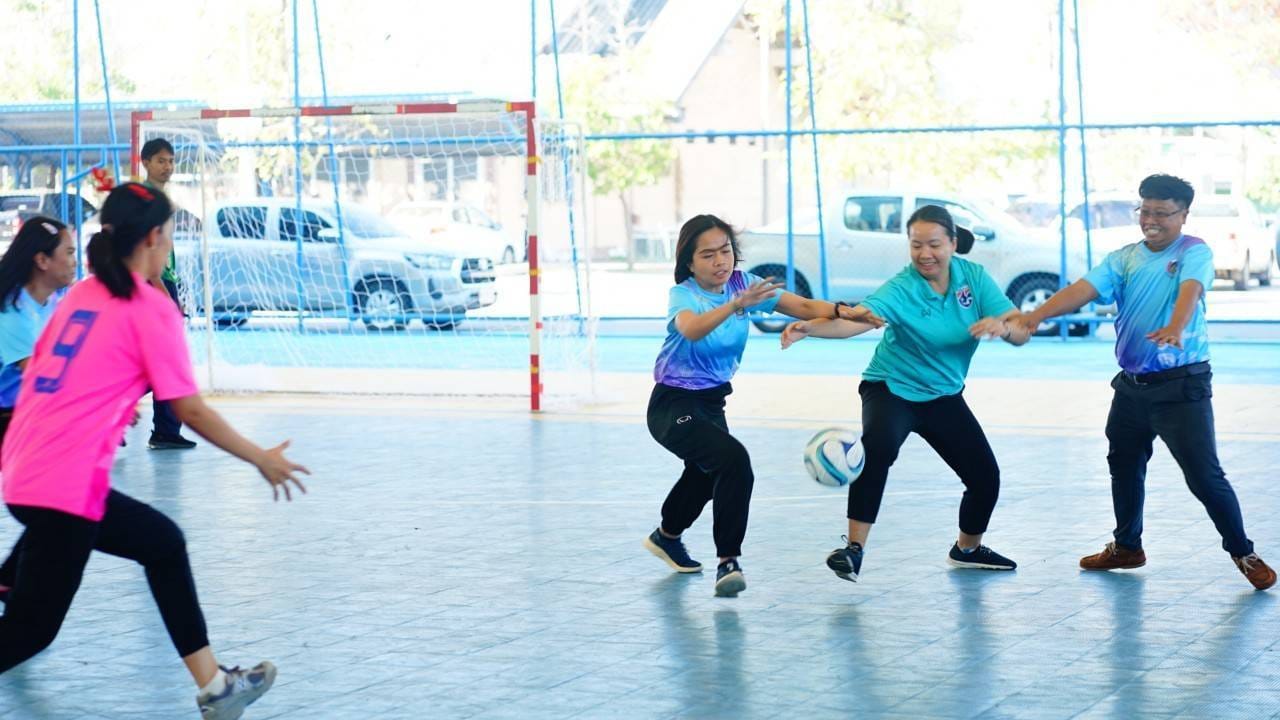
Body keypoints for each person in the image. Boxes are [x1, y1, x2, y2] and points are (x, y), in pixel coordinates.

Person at [0, 183, 311, 719]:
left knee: (163, 544)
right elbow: (189, 411)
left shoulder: (81, 295)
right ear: (153, 236)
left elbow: (49, 380)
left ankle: (215, 686)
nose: (171, 243)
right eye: (169, 233)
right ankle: (214, 685)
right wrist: (259, 457)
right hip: (65, 487)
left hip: (30, 471)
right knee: (28, 633)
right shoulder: (150, 308)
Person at [1015, 173, 1275, 590]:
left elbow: (1190, 290)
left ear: (1183, 215)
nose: (1151, 220)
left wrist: (1175, 324)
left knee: (1204, 476)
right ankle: (1127, 547)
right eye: (1145, 211)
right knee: (1124, 463)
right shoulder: (1125, 258)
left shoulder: (1194, 252)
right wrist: (1034, 316)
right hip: (1132, 387)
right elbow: (1083, 289)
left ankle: (1242, 551)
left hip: (1181, 387)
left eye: (1162, 213)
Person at [782, 205, 1031, 583]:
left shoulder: (974, 279)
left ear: (952, 243)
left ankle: (967, 549)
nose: (924, 254)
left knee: (985, 477)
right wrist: (808, 328)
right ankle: (853, 550)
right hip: (891, 386)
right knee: (878, 447)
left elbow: (1021, 330)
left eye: (934, 244)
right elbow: (856, 321)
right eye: (916, 245)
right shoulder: (903, 287)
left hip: (942, 394)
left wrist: (1003, 326)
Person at [642, 213, 881, 597]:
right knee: (732, 461)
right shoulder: (684, 294)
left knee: (705, 475)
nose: (720, 261)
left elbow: (802, 307)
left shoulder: (744, 284)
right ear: (689, 261)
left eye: (725, 251)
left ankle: (666, 536)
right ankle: (728, 562)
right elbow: (691, 329)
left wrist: (841, 310)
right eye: (708, 255)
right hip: (672, 403)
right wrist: (736, 305)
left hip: (712, 400)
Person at [0, 216, 78, 602]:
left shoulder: (55, 304)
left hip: (24, 419)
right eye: (68, 253)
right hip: (8, 421)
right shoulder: (12, 312)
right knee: (53, 502)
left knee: (58, 500)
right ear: (42, 261)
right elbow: (42, 379)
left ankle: (10, 579)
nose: (74, 261)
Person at [139, 137, 196, 450]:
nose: (168, 166)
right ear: (146, 162)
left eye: (171, 161)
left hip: (164, 279)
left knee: (166, 358)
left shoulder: (163, 199)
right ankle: (112, 407)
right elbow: (147, 250)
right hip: (154, 281)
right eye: (161, 160)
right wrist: (161, 288)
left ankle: (166, 429)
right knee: (164, 359)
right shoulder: (146, 200)